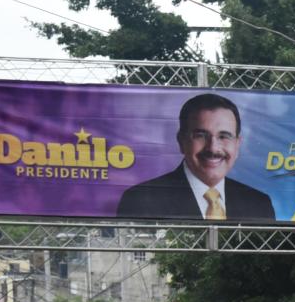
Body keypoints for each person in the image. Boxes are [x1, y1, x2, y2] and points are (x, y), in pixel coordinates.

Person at [115, 93, 277, 221]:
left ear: (237, 144)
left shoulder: (259, 203)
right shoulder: (141, 199)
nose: (213, 148)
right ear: (181, 140)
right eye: (201, 135)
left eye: (224, 136)